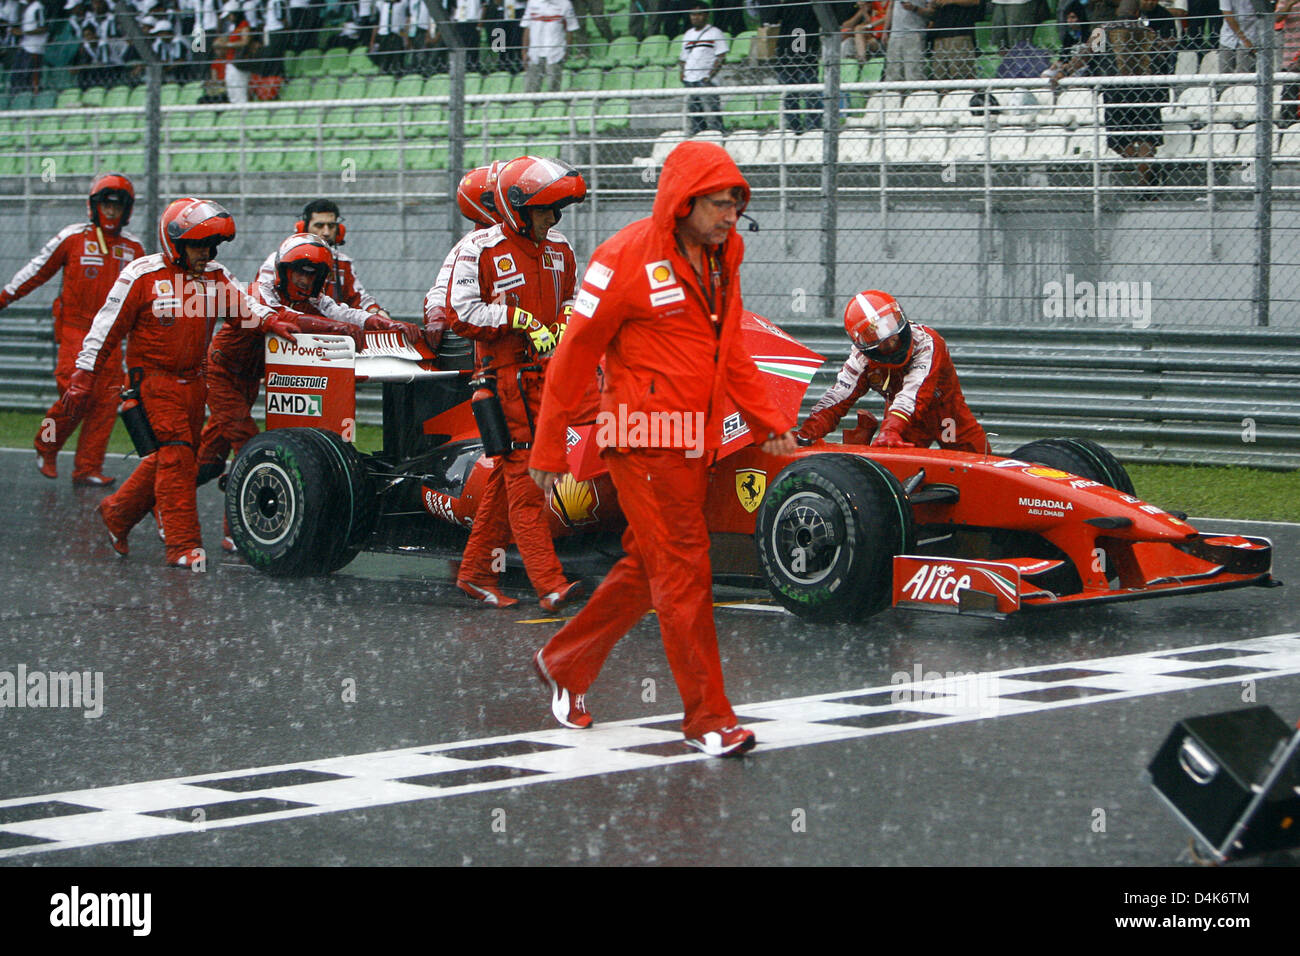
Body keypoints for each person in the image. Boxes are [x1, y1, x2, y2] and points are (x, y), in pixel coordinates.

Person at [526, 140, 797, 758]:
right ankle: (708, 718)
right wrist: (548, 450)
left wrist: (768, 417)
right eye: (721, 203)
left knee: (650, 567)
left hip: (692, 443)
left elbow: (729, 347)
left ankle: (564, 660)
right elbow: (574, 352)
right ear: (683, 202)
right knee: (684, 571)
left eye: (737, 203)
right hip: (642, 444)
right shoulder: (620, 258)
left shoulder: (726, 254)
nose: (733, 216)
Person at [70, 198, 307, 567]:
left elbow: (245, 306)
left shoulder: (214, 275)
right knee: (179, 458)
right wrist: (83, 376)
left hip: (197, 384)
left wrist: (272, 323)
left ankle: (118, 512)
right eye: (199, 245)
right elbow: (105, 329)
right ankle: (182, 546)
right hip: (153, 382)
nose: (207, 252)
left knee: (173, 457)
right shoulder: (140, 275)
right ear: (175, 242)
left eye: (212, 246)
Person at [195, 234, 400, 552]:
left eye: (312, 275)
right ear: (283, 271)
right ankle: (237, 531)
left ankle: (134, 504)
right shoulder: (261, 291)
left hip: (250, 378)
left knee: (207, 460)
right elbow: (277, 315)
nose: (304, 281)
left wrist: (379, 322)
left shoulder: (315, 299)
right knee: (251, 446)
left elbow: (342, 312)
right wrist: (331, 328)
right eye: (298, 272)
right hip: (222, 372)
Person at [447, 156, 586, 611]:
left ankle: (474, 573)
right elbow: (460, 312)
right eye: (546, 209)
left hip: (548, 379)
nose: (554, 218)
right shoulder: (478, 249)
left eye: (557, 209)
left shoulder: (561, 247)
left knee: (505, 482)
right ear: (518, 208)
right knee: (527, 483)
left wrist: (566, 316)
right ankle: (550, 585)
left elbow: (573, 297)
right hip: (502, 381)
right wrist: (520, 320)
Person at [0, 175, 146, 486]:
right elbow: (37, 270)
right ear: (94, 206)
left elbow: (147, 297)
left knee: (106, 402)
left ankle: (87, 468)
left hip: (111, 338)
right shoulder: (72, 237)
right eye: (106, 204)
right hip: (75, 331)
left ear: (127, 210)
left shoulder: (134, 249)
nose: (111, 211)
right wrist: (6, 296)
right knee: (74, 395)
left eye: (118, 205)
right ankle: (46, 442)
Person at [797, 289, 987, 454]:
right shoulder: (860, 359)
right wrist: (805, 435)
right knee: (895, 475)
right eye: (873, 333)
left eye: (888, 324)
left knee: (980, 467)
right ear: (861, 342)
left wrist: (891, 428)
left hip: (949, 417)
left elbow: (915, 392)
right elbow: (838, 397)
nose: (888, 340)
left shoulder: (927, 342)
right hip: (903, 422)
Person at [295, 199, 393, 320]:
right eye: (319, 226)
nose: (326, 232)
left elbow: (358, 298)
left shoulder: (343, 263)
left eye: (331, 226)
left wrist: (376, 312)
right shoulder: (282, 260)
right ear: (303, 228)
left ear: (339, 230)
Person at [678, 3, 728, 135]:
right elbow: (683, 58)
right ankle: (699, 137)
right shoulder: (688, 34)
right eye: (693, 14)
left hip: (705, 79)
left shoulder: (715, 32)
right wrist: (682, 73)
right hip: (690, 79)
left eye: (699, 14)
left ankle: (718, 137)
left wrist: (710, 75)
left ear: (706, 15)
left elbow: (721, 56)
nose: (695, 17)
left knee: (712, 112)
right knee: (695, 113)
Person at [522, 0, 577, 93]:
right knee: (530, 90)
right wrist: (524, 51)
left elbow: (570, 30)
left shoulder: (565, 4)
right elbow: (527, 27)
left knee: (553, 90)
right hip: (534, 52)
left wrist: (567, 51)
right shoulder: (532, 2)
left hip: (555, 52)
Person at [928, 0, 980, 81]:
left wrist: (951, 1)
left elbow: (975, 1)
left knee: (961, 74)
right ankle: (943, 93)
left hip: (959, 33)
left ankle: (967, 93)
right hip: (939, 34)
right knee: (940, 74)